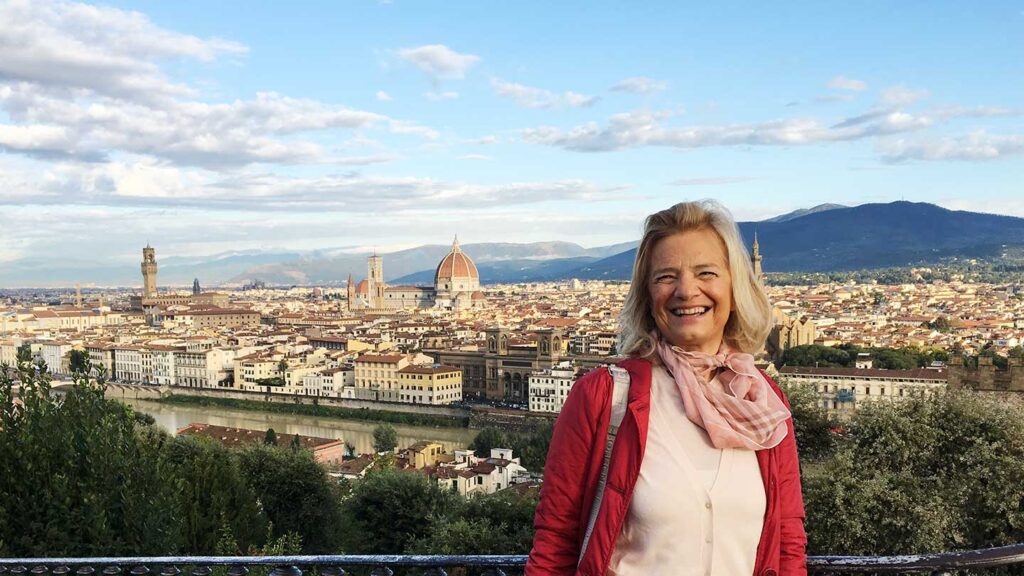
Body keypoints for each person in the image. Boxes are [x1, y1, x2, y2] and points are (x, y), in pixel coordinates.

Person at [526, 200, 806, 576]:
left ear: (736, 285)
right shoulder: (604, 398)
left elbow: (787, 541)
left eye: (706, 272)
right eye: (665, 277)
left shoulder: (765, 402)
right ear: (647, 294)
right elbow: (556, 543)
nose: (686, 291)